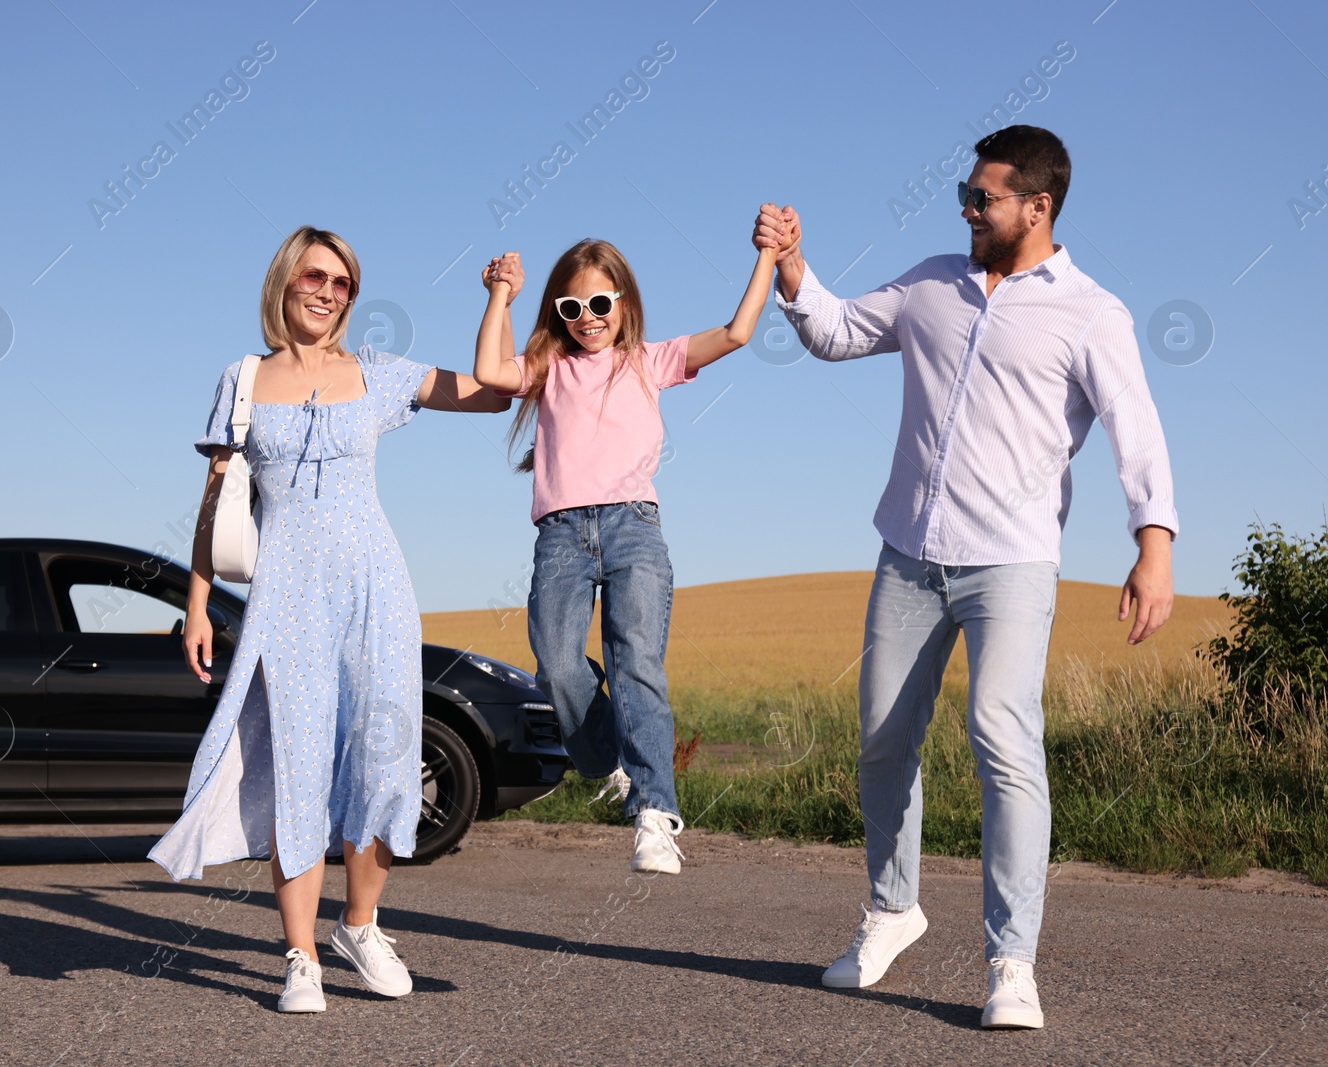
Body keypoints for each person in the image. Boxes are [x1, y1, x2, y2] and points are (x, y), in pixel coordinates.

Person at [755, 125, 1178, 1030]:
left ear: (1038, 206)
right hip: (909, 550)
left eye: (982, 198)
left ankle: (1012, 962)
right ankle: (893, 906)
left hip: (1013, 558)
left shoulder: (1092, 312)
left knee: (1001, 733)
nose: (966, 210)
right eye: (966, 193)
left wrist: (1155, 542)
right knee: (880, 735)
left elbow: (1135, 427)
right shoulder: (929, 284)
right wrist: (793, 268)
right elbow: (834, 332)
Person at [149, 226, 510, 1014]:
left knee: (384, 761)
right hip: (285, 594)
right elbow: (217, 501)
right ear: (284, 280)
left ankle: (361, 922)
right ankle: (301, 955)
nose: (328, 291)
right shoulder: (242, 378)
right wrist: (199, 607)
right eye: (316, 275)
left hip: (375, 587)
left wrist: (501, 299)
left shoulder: (375, 372)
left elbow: (492, 388)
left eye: (343, 283)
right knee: (299, 769)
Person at [471, 229, 784, 874]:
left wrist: (767, 257)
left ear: (623, 304)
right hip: (560, 533)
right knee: (556, 665)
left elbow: (736, 333)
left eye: (600, 305)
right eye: (571, 309)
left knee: (635, 658)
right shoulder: (549, 369)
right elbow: (487, 372)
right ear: (557, 313)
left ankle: (654, 813)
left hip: (633, 529)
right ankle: (607, 758)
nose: (587, 319)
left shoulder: (649, 360)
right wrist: (501, 295)